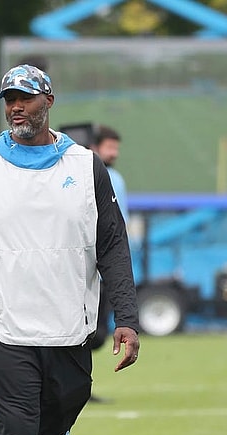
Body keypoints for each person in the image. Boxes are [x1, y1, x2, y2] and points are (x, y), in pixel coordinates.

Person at [0, 64, 140, 435]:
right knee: (16, 433)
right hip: (3, 334)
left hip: (69, 333)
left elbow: (112, 246)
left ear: (48, 100)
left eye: (25, 99)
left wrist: (126, 317)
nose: (16, 107)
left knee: (52, 434)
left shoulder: (86, 166)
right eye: (10, 100)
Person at [88, 125, 129, 404]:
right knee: (90, 333)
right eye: (109, 147)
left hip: (107, 268)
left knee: (97, 334)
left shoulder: (116, 177)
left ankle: (77, 386)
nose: (113, 153)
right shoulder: (90, 174)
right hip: (89, 268)